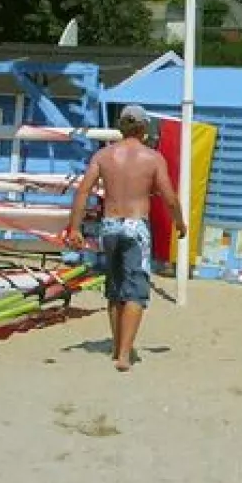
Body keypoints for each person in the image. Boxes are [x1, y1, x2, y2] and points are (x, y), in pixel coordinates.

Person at [64, 104, 185, 372]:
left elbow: (83, 191)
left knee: (116, 287)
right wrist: (180, 222)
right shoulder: (152, 158)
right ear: (143, 128)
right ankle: (124, 354)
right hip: (135, 225)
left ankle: (117, 345)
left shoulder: (104, 155)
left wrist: (74, 227)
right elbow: (168, 195)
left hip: (109, 225)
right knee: (136, 290)